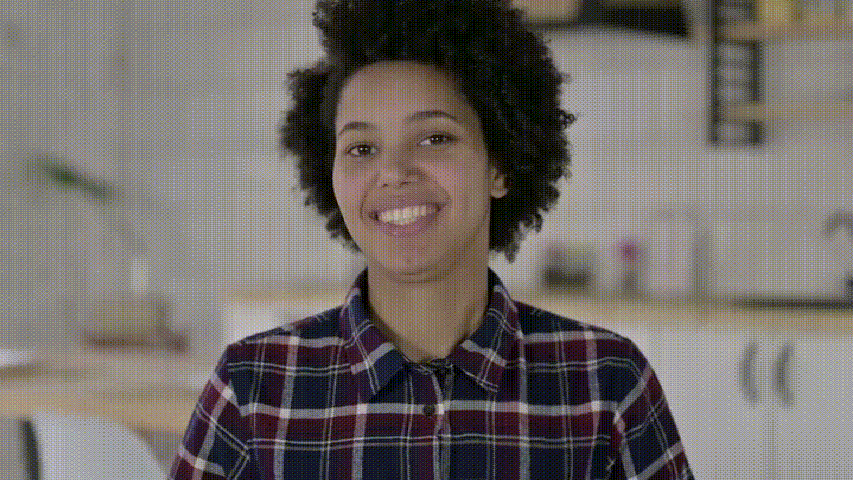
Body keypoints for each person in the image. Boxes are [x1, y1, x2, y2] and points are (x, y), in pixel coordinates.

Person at [170, 0, 694, 478]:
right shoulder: (252, 386)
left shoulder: (606, 381)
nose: (394, 171)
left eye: (434, 138)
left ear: (499, 165)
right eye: (361, 148)